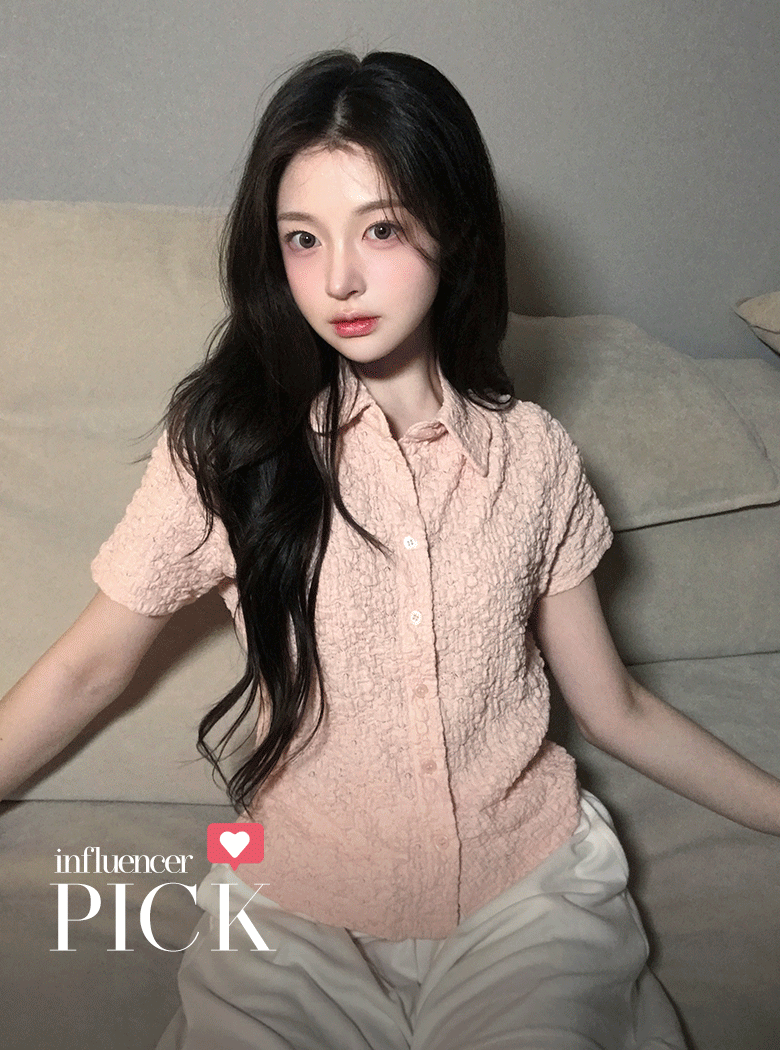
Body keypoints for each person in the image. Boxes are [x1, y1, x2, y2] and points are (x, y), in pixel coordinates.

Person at [1, 48, 779, 1050]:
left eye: (381, 228)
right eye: (302, 238)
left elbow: (614, 709)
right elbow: (86, 669)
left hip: (524, 893)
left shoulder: (534, 458)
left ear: (454, 228)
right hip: (290, 903)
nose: (339, 279)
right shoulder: (227, 448)